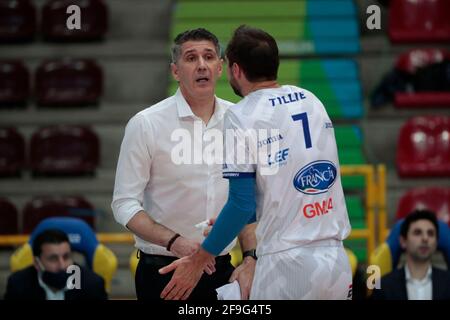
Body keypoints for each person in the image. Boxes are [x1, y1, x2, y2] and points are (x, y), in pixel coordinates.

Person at [159, 25, 352, 300]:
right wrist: (231, 221)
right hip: (335, 260)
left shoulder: (241, 115)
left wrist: (200, 258)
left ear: (235, 70)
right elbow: (285, 184)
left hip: (287, 264)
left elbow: (241, 203)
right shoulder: (311, 100)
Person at [111, 28, 257, 300]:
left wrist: (250, 258)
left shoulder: (241, 121)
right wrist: (176, 242)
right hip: (163, 271)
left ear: (220, 67)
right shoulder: (146, 124)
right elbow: (124, 204)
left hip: (222, 270)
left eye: (209, 56)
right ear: (175, 71)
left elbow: (249, 202)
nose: (201, 64)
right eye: (191, 58)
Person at [4, 229, 107, 300]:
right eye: (53, 259)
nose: (62, 266)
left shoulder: (93, 285)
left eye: (66, 257)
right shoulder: (18, 285)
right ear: (37, 263)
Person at [371, 210, 450, 300]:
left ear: (436, 243)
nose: (425, 238)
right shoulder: (382, 285)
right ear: (403, 241)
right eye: (417, 232)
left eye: (430, 233)